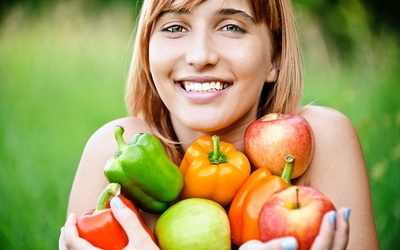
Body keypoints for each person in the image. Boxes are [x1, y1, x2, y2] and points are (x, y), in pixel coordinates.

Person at [59, 0, 379, 249]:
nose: (200, 56)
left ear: (275, 58)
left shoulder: (320, 141)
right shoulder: (114, 153)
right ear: (146, 50)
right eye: (173, 27)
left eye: (231, 27)